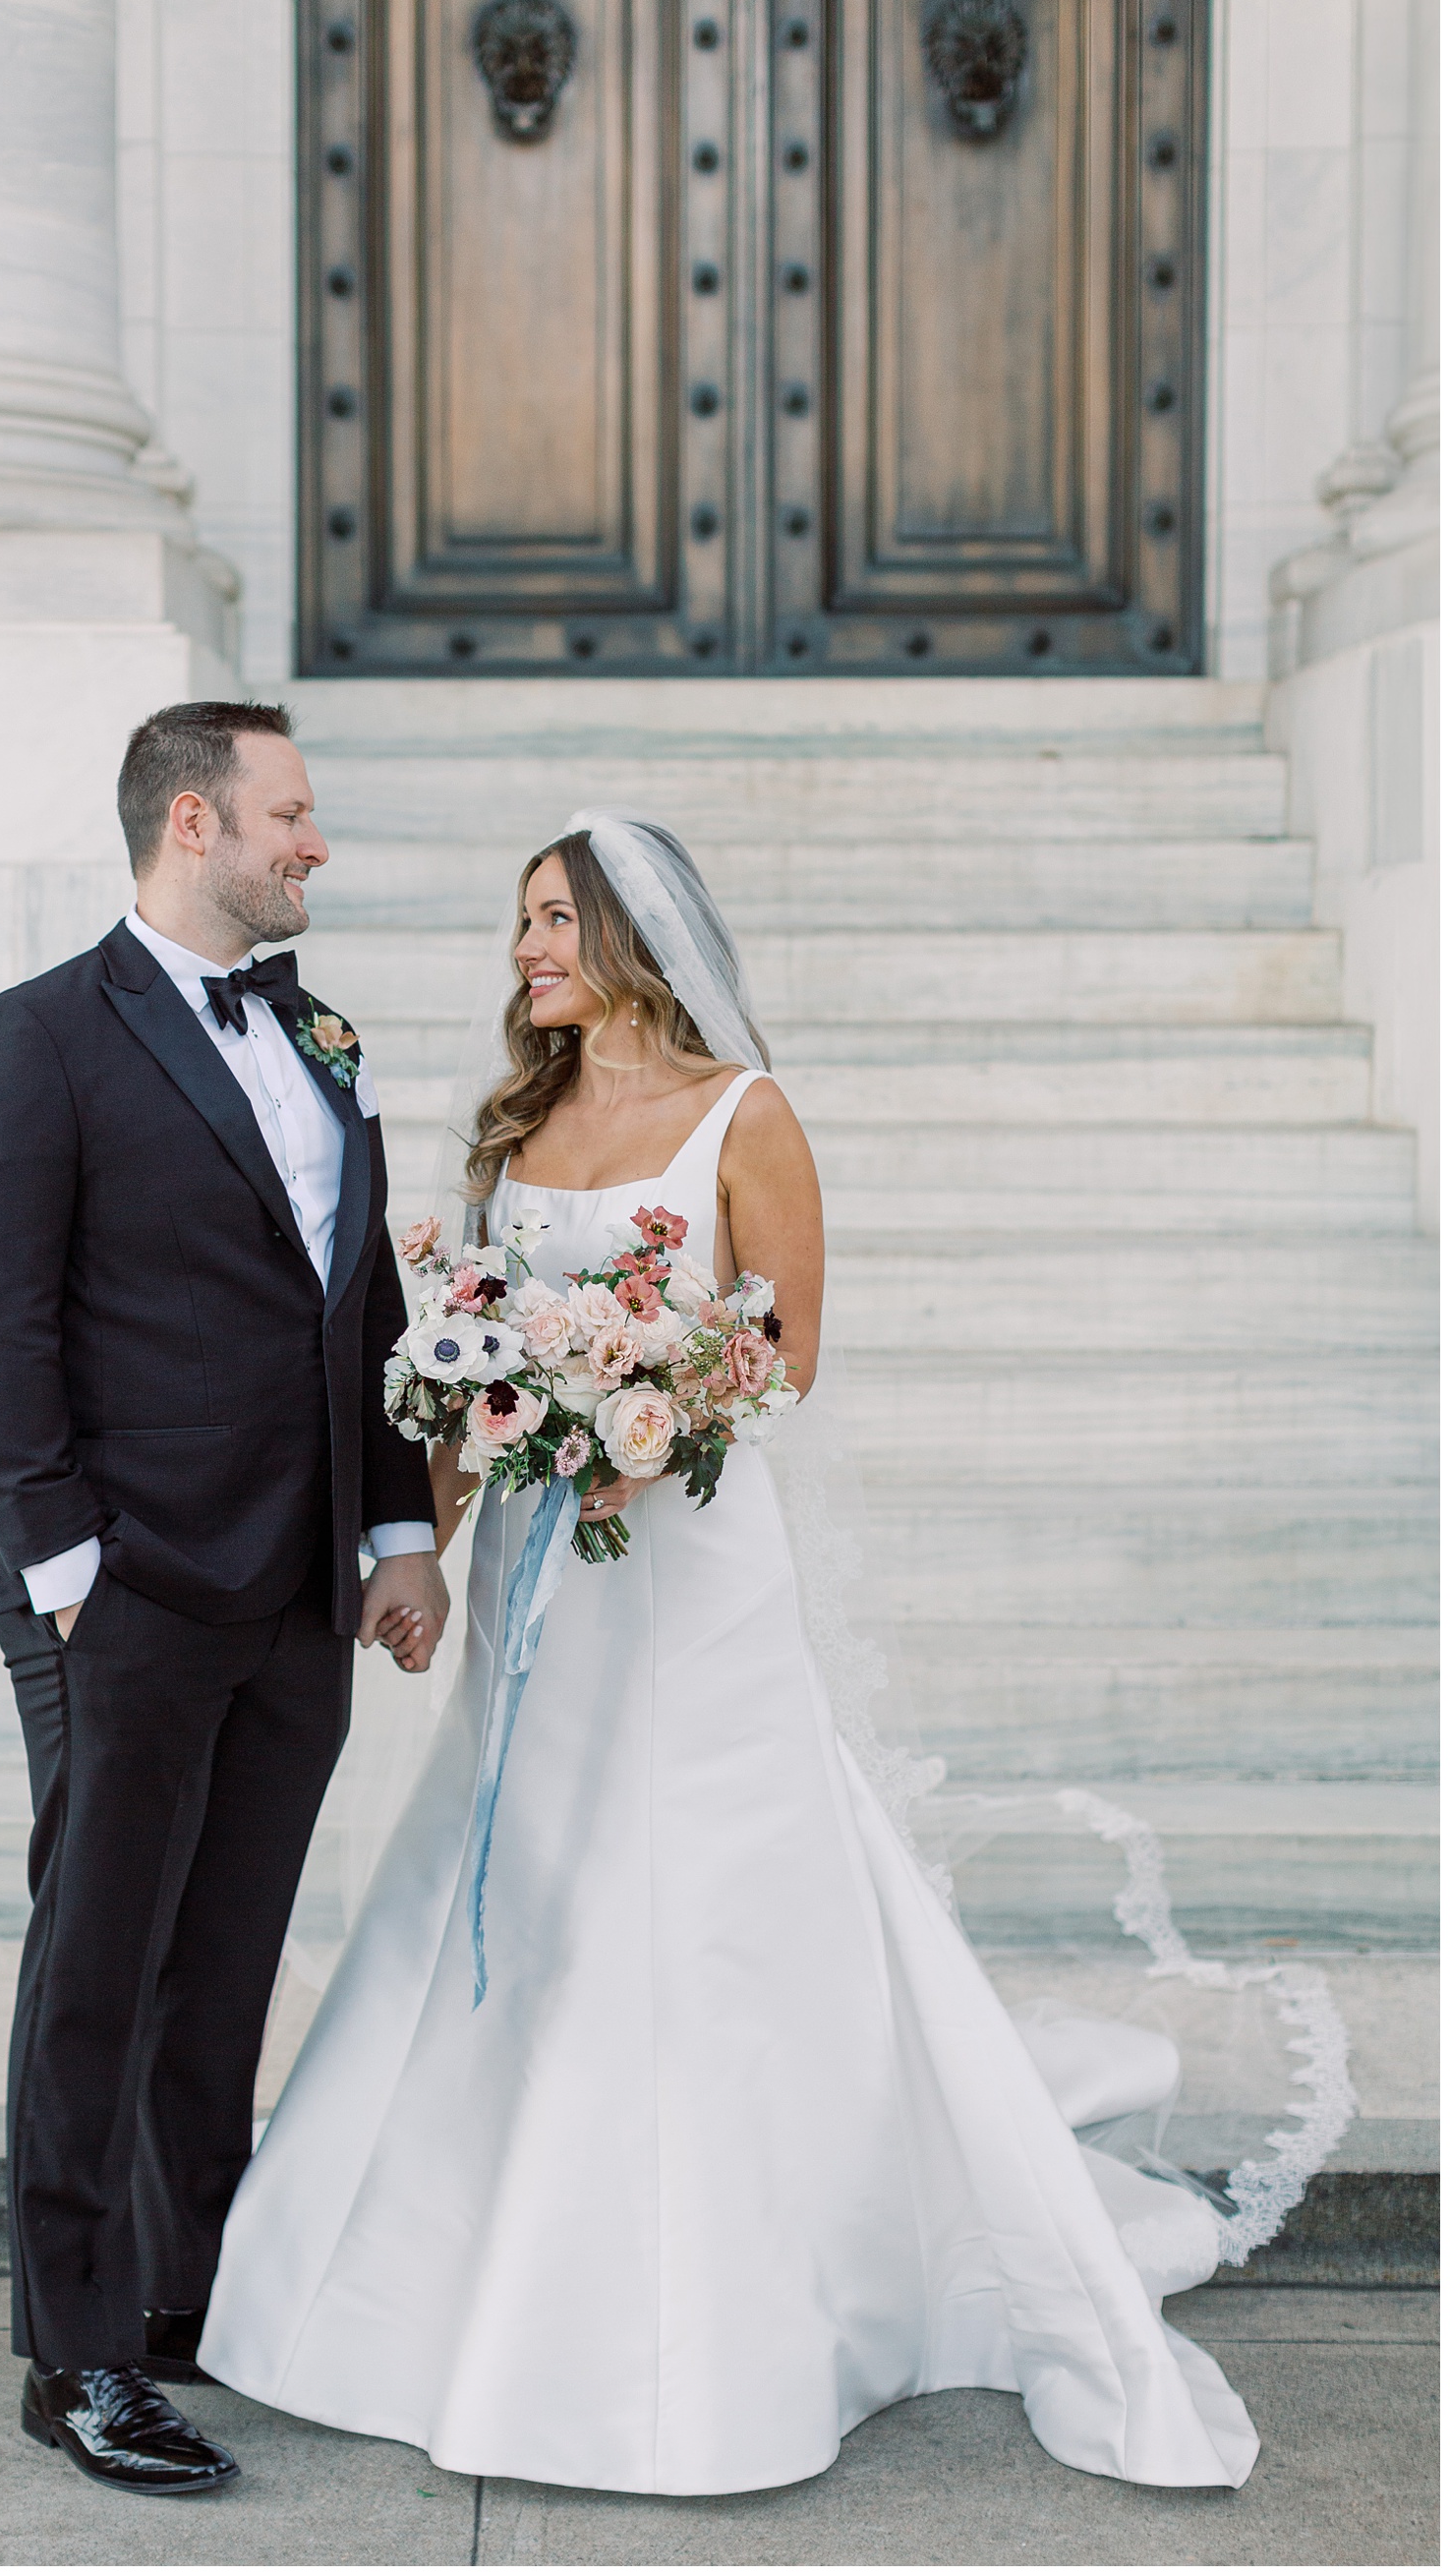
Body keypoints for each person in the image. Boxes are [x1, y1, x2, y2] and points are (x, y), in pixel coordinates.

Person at [199, 814, 1259, 2497]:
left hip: (692, 1577)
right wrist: (430, 1553)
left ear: (629, 937)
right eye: (522, 926)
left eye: (550, 921)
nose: (525, 952)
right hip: (552, 1580)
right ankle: (460, 2268)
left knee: (696, 1907)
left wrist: (649, 1416)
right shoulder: (522, 1126)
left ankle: (731, 2304)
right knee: (526, 1881)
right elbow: (477, 1371)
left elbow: (790, 1350)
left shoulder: (744, 1118)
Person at [0, 700, 448, 2495]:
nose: (317, 847)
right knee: (98, 1965)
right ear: (197, 824)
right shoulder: (33, 1043)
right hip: (124, 1591)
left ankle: (174, 2298)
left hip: (300, 1595)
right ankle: (70, 2352)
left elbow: (359, 1304)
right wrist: (65, 1572)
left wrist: (394, 1535)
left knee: (221, 1965)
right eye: (293, 818)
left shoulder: (317, 1029)